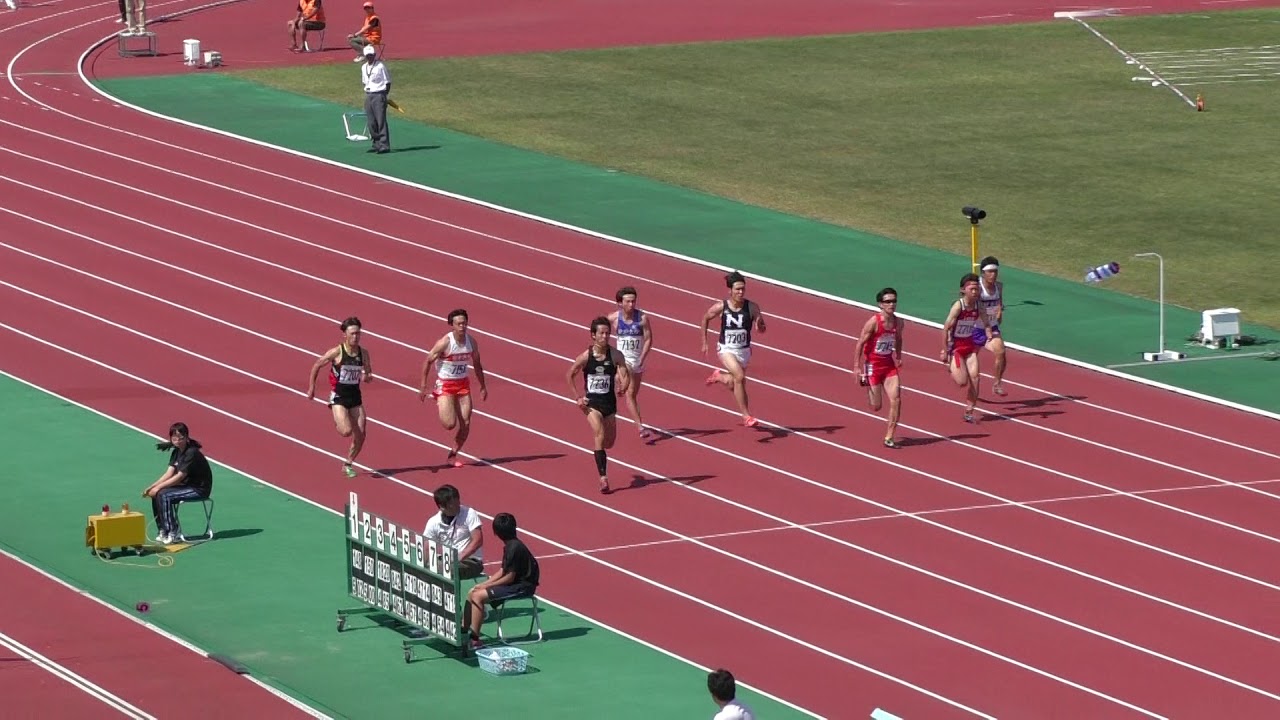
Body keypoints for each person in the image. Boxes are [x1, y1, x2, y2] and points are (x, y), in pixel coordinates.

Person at [567, 316, 631, 494]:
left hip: (609, 404)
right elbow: (569, 375)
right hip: (591, 404)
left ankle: (602, 458)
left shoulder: (616, 355)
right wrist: (578, 398)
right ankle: (603, 477)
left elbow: (626, 375)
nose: (605, 336)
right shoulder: (586, 356)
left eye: (607, 333)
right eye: (601, 333)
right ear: (593, 335)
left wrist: (623, 386)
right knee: (599, 433)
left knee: (609, 443)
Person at [418, 309, 488, 468]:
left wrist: (483, 386)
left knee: (466, 423)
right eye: (459, 324)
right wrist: (423, 386)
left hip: (463, 385)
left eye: (464, 323)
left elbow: (477, 365)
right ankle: (440, 401)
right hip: (446, 385)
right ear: (452, 326)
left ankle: (453, 454)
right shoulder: (445, 343)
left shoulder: (471, 342)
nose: (463, 326)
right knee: (449, 424)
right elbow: (428, 361)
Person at [306, 316, 374, 477]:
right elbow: (317, 364)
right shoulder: (337, 352)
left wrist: (368, 377)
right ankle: (339, 418)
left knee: (362, 434)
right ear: (345, 334)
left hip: (355, 397)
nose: (356, 337)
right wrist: (312, 387)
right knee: (345, 431)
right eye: (352, 334)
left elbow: (369, 372)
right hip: (339, 397)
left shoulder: (363, 354)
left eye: (358, 333)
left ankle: (348, 464)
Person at [463, 512, 539, 651]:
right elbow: (503, 570)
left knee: (478, 596)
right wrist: (484, 584)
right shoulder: (511, 545)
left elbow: (509, 577)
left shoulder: (514, 548)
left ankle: (474, 639)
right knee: (472, 591)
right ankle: (463, 631)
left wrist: (488, 585)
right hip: (514, 583)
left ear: (496, 533)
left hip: (522, 587)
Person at [700, 270, 766, 427]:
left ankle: (719, 376)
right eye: (737, 289)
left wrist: (760, 325)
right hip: (726, 349)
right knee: (740, 377)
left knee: (734, 382)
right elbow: (705, 318)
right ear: (730, 290)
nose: (741, 292)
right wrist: (704, 341)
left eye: (743, 289)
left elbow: (762, 328)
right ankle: (746, 416)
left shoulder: (752, 307)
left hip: (744, 351)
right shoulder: (721, 307)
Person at [142, 422, 213, 545]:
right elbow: (169, 474)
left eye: (181, 438)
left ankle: (173, 533)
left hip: (199, 489)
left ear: (186, 437)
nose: (178, 440)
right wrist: (152, 487)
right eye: (174, 438)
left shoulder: (192, 453)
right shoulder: (176, 452)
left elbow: (179, 477)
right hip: (186, 486)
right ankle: (163, 530)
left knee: (165, 495)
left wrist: (158, 487)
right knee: (156, 493)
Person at [852, 287, 905, 448]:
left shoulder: (899, 322)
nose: (892, 304)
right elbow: (860, 343)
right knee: (876, 406)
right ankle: (866, 382)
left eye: (894, 301)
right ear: (880, 304)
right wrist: (856, 366)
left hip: (888, 365)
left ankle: (889, 436)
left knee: (896, 400)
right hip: (873, 366)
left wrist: (899, 356)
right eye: (888, 301)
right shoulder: (874, 322)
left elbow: (899, 339)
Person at [941, 274, 993, 423]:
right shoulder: (958, 306)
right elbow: (945, 329)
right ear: (964, 290)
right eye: (972, 289)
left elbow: (986, 321)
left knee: (976, 378)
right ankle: (950, 365)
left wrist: (989, 331)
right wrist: (944, 350)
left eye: (977, 289)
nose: (975, 292)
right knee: (962, 382)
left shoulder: (979, 305)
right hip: (956, 349)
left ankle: (969, 411)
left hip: (969, 347)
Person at [608, 286, 654, 440]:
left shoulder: (642, 318)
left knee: (632, 396)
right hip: (622, 359)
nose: (632, 304)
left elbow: (648, 339)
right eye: (628, 301)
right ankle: (641, 427)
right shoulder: (614, 318)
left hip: (637, 361)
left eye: (633, 301)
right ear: (620, 303)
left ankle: (621, 383)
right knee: (625, 377)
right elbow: (602, 333)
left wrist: (642, 358)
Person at [422, 484, 484, 579]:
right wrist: (424, 565)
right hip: (447, 561)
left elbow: (478, 540)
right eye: (453, 505)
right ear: (441, 507)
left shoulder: (469, 514)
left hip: (470, 561)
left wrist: (460, 557)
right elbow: (426, 547)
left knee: (450, 570)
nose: (458, 506)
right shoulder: (433, 522)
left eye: (458, 502)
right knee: (433, 565)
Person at [977, 255, 1009, 396]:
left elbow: (999, 301)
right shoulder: (977, 288)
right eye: (990, 272)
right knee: (968, 368)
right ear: (983, 273)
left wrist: (999, 310)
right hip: (974, 328)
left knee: (1001, 352)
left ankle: (997, 383)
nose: (993, 275)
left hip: (992, 327)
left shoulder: (999, 286)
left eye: (995, 271)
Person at [359, 44, 391, 154]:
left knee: (380, 120)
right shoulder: (364, 67)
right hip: (369, 95)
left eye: (371, 55)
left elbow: (387, 82)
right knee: (371, 121)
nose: (369, 57)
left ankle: (384, 144)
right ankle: (376, 143)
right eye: (367, 55)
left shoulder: (380, 66)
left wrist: (384, 96)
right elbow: (364, 81)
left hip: (379, 94)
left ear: (374, 55)